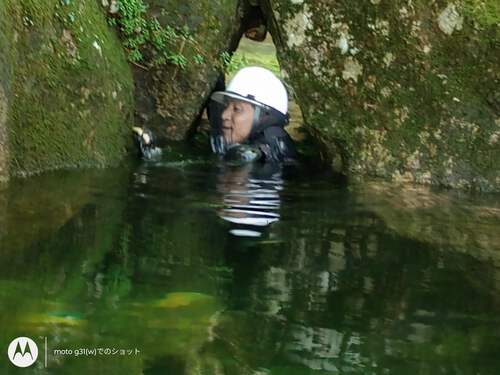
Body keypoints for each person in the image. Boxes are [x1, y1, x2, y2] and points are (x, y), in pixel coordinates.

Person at [208, 66, 297, 164]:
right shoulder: (278, 146)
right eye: (226, 106)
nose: (224, 115)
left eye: (236, 109)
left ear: (264, 117)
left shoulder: (257, 157)